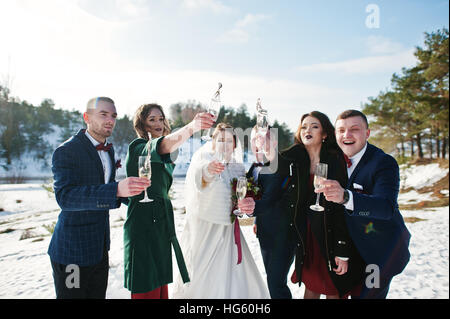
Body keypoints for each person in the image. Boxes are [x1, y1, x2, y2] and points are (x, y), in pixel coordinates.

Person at [48, 97, 150, 299]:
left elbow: (105, 187)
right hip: (72, 254)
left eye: (113, 115)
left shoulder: (108, 150)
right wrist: (116, 191)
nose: (110, 120)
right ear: (87, 117)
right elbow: (65, 197)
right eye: (103, 114)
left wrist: (136, 194)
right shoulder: (66, 151)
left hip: (100, 249)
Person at [317, 109, 411, 299]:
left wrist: (346, 197)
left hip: (380, 255)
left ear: (367, 133)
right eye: (341, 130)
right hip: (352, 254)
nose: (347, 135)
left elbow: (386, 208)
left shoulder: (383, 163)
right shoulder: (335, 162)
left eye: (354, 129)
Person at [124, 103, 214, 299]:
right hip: (142, 225)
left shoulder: (168, 152)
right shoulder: (138, 147)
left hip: (161, 223)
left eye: (161, 118)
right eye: (151, 119)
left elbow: (166, 146)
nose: (158, 123)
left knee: (160, 283)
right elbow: (160, 145)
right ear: (142, 124)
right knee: (146, 283)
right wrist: (191, 127)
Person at [172, 123, 270, 298]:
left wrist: (246, 203)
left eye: (229, 140)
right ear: (214, 142)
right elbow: (199, 175)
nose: (224, 144)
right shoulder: (205, 158)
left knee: (233, 275)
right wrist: (208, 171)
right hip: (207, 229)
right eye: (220, 140)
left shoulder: (238, 167)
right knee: (203, 274)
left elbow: (243, 194)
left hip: (230, 230)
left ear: (235, 144)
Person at [278, 111, 365, 299]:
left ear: (325, 134)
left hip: (330, 234)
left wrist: (342, 248)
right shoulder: (294, 161)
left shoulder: (336, 160)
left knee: (333, 287)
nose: (307, 130)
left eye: (314, 126)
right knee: (312, 286)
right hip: (306, 235)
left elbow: (342, 208)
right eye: (304, 127)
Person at [247, 126, 296, 299]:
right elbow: (253, 192)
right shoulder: (254, 166)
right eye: (254, 139)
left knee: (276, 284)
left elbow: (270, 199)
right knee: (273, 281)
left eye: (262, 138)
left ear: (274, 141)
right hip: (265, 232)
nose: (257, 143)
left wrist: (251, 209)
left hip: (283, 235)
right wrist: (255, 220)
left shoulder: (282, 165)